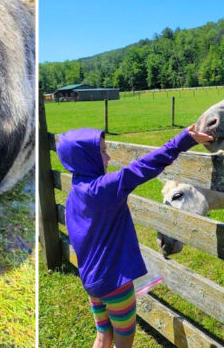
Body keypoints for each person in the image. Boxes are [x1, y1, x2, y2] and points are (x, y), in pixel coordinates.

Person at [56, 125, 213, 348]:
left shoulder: (76, 192)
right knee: (123, 342)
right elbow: (146, 165)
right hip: (116, 286)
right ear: (86, 158)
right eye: (101, 151)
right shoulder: (104, 189)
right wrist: (184, 140)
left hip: (92, 283)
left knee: (103, 336)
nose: (108, 157)